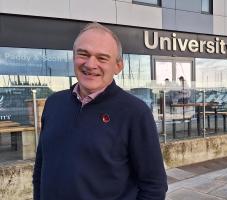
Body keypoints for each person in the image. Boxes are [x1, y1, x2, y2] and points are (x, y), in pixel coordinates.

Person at [33, 22, 168, 200]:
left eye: (102, 58)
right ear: (73, 57)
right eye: (83, 54)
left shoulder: (135, 113)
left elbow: (154, 186)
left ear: (118, 66)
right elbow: (41, 168)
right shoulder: (53, 103)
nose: (90, 64)